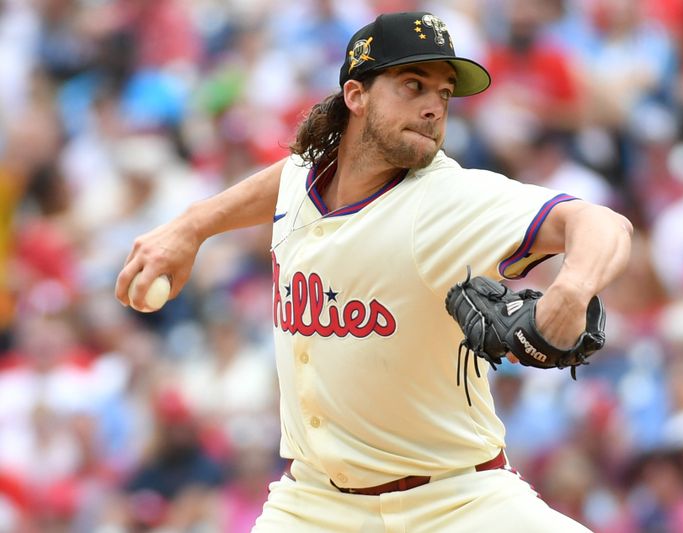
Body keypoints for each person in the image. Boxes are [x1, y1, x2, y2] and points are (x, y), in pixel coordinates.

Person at [116, 11, 632, 532]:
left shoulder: (444, 198)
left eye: (445, 93)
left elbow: (600, 223)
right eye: (413, 85)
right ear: (356, 96)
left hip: (455, 501)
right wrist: (192, 225)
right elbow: (292, 175)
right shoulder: (307, 176)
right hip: (314, 505)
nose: (434, 107)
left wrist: (571, 288)